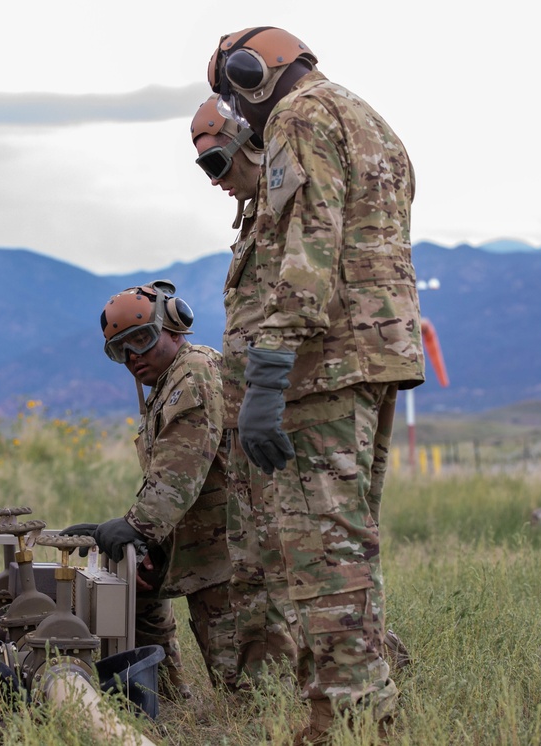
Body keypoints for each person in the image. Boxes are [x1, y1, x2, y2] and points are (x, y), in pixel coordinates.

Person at [207, 27, 425, 743]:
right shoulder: (373, 122)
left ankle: (348, 717)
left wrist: (269, 376)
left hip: (322, 365)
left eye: (236, 94)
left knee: (321, 553)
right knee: (347, 543)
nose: (243, 117)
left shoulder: (302, 117)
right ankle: (358, 708)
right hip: (376, 357)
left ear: (254, 74)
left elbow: (308, 251)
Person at [63, 281, 236, 698]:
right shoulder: (168, 382)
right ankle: (163, 697)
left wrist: (136, 529)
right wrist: (137, 539)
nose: (133, 357)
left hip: (231, 543)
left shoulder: (192, 374)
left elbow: (182, 470)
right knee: (133, 591)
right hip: (202, 538)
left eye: (141, 339)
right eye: (121, 350)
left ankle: (372, 656)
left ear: (174, 327)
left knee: (248, 685)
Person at [191, 96, 300, 684]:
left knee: (296, 559)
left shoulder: (287, 219)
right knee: (252, 560)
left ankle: (357, 671)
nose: (217, 183)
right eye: (204, 169)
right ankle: (267, 690)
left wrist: (268, 401)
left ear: (250, 145)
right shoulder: (256, 220)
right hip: (246, 423)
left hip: (274, 420)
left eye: (218, 165)